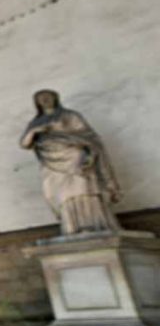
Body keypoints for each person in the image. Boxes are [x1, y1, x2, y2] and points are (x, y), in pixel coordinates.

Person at [20, 90, 122, 234]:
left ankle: (93, 224)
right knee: (55, 193)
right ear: (37, 103)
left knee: (82, 189)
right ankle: (71, 226)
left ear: (56, 98)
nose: (45, 100)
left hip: (75, 156)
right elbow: (24, 144)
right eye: (40, 98)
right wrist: (35, 130)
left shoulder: (70, 115)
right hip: (50, 161)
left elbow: (88, 135)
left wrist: (86, 150)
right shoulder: (35, 122)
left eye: (48, 97)